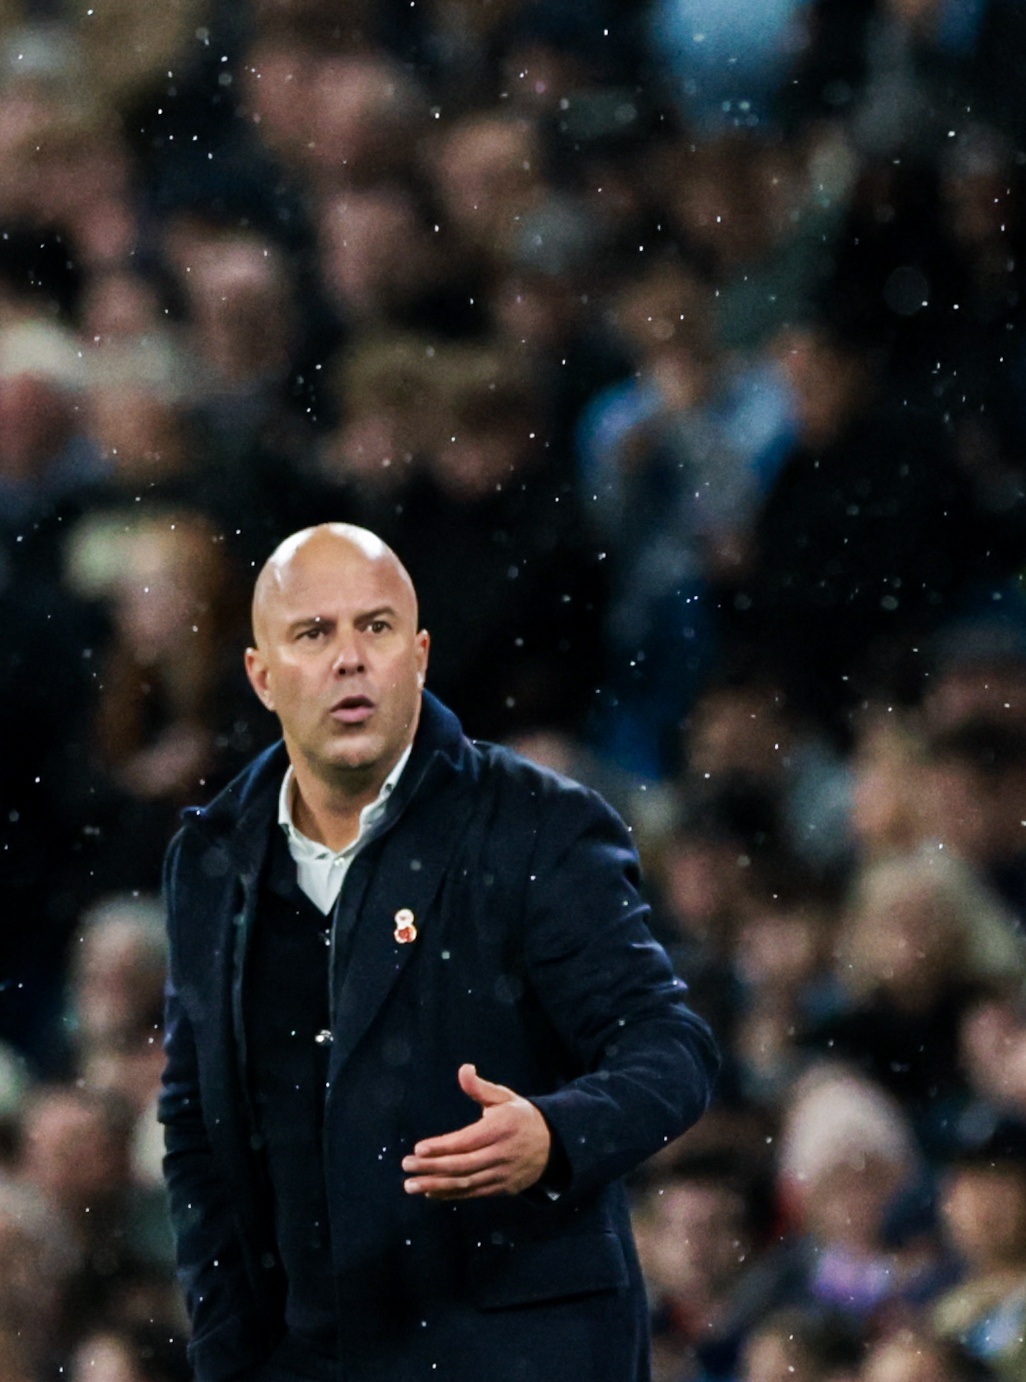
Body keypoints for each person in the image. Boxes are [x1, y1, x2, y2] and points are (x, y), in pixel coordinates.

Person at [157, 523, 720, 1382]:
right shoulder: (209, 859)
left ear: (418, 656)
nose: (350, 659)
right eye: (313, 634)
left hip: (520, 1360)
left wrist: (555, 1133)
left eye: (375, 627)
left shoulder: (536, 824)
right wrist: (223, 1350)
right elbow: (197, 1123)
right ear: (261, 677)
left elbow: (670, 1048)